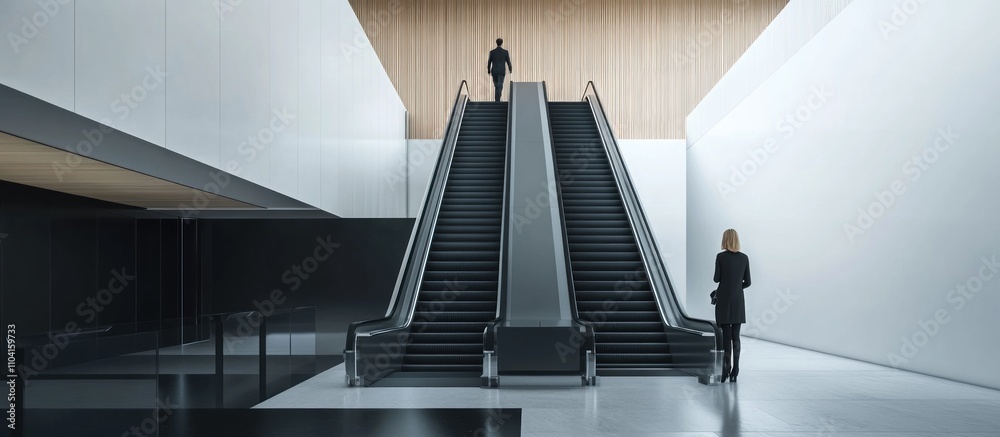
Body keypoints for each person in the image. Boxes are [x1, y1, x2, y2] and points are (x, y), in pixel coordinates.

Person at [713, 229, 751, 383]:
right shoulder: (744, 258)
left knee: (726, 337)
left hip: (723, 299)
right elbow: (747, 282)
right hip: (738, 301)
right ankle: (736, 370)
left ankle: (725, 369)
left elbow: (716, 279)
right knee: (736, 337)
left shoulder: (720, 257)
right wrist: (736, 287)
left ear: (725, 240)